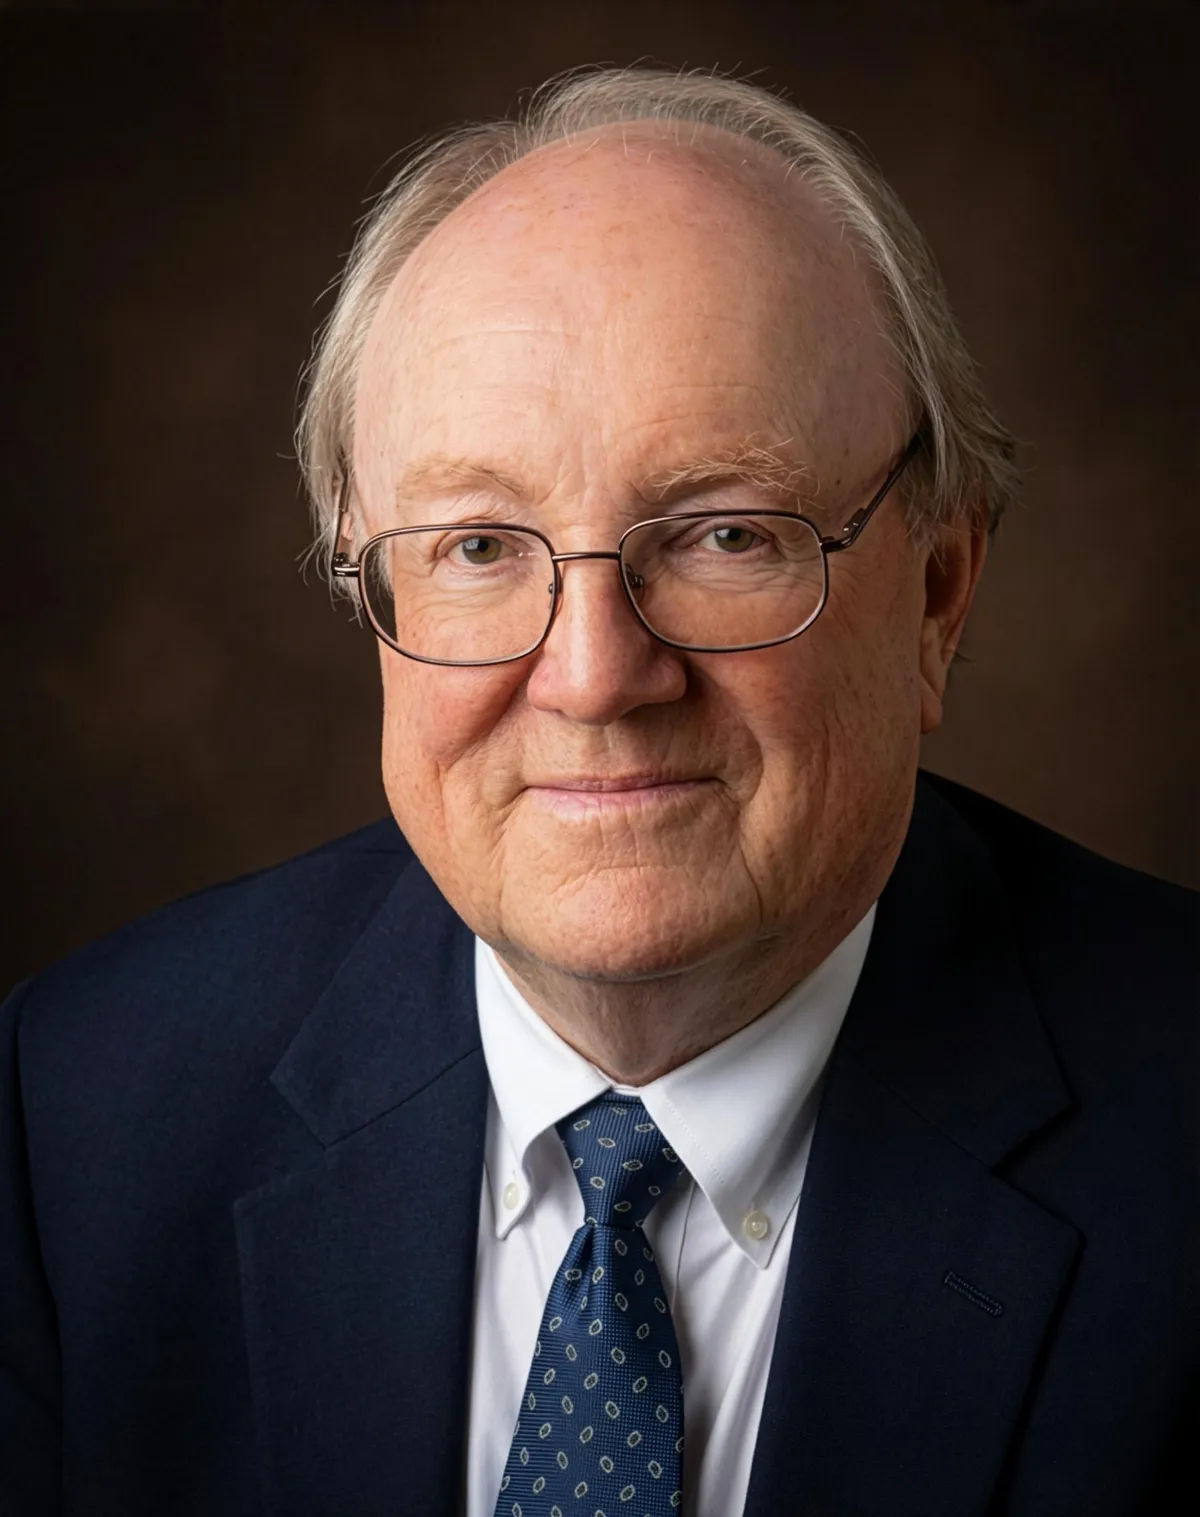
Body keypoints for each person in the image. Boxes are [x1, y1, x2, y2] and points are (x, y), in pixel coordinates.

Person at [1, 66, 1195, 1517]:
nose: (594, 676)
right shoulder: (79, 1117)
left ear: (938, 592)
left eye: (726, 534)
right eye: (480, 547)